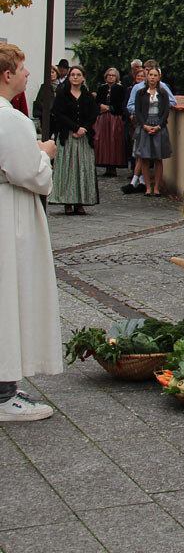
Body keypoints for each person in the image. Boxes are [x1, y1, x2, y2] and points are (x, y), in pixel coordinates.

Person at [0, 43, 62, 421]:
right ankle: (4, 396)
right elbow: (31, 175)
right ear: (7, 74)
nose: (27, 74)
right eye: (22, 68)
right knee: (10, 294)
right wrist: (45, 153)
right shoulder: (10, 119)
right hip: (9, 215)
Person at [50, 65, 98, 215]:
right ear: (69, 77)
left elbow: (93, 115)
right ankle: (67, 202)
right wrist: (75, 128)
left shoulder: (88, 97)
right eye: (73, 75)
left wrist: (84, 129)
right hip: (68, 135)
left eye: (78, 75)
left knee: (82, 168)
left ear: (83, 78)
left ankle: (80, 202)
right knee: (68, 169)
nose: (75, 77)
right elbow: (58, 114)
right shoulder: (62, 94)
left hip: (83, 137)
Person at [133, 66, 172, 196]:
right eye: (151, 75)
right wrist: (144, 125)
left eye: (155, 75)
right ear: (147, 77)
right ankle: (148, 187)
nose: (153, 78)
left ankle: (156, 187)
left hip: (159, 125)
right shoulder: (141, 93)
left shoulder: (163, 93)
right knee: (144, 157)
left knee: (158, 158)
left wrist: (159, 126)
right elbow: (138, 111)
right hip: (145, 124)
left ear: (159, 77)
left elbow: (166, 111)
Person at [93, 67, 127, 177]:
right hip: (103, 118)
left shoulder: (120, 89)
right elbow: (96, 102)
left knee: (114, 141)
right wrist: (100, 106)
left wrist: (110, 108)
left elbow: (122, 104)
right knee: (103, 141)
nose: (111, 77)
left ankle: (113, 167)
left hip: (115, 118)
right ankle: (106, 165)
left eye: (113, 75)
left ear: (116, 77)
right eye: (109, 75)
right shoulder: (101, 88)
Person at [121, 68, 147, 194]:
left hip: (155, 124)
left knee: (147, 156)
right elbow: (129, 105)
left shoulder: (161, 89)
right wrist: (136, 114)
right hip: (139, 123)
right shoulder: (136, 88)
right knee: (139, 153)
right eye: (139, 76)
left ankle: (141, 182)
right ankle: (139, 180)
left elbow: (170, 101)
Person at [32, 64, 59, 134]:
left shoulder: (61, 86)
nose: (51, 74)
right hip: (47, 117)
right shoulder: (44, 86)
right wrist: (49, 110)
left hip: (58, 117)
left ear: (56, 73)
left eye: (53, 72)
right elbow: (39, 101)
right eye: (49, 73)